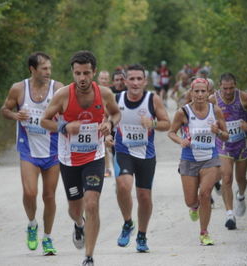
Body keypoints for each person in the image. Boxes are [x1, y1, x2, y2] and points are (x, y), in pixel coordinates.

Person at [40, 50, 120, 266]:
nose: (82, 78)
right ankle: (79, 223)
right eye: (78, 73)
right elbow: (44, 121)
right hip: (69, 160)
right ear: (73, 73)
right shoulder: (63, 95)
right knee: (75, 209)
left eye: (86, 73)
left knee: (92, 203)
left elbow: (115, 113)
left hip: (95, 157)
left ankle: (89, 256)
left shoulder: (104, 94)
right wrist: (65, 126)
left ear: (93, 72)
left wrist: (109, 124)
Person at [0, 52, 63, 255]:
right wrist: (15, 115)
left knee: (49, 196)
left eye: (49, 68)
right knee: (30, 193)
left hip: (53, 150)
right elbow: (4, 110)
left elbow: (68, 113)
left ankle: (48, 238)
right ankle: (32, 224)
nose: (48, 72)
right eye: (44, 68)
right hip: (28, 149)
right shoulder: (19, 89)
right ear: (32, 69)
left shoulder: (58, 88)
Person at [106, 64, 170, 252]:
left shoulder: (153, 99)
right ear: (125, 81)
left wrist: (153, 123)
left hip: (146, 155)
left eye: (138, 79)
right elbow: (104, 120)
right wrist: (107, 135)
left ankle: (142, 235)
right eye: (131, 79)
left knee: (144, 196)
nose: (135, 83)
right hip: (123, 152)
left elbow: (167, 124)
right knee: (123, 186)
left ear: (145, 81)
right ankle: (128, 223)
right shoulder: (116, 99)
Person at [168, 78, 228, 246]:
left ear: (209, 93)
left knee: (205, 193)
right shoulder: (183, 112)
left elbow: (226, 135)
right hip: (189, 159)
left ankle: (204, 232)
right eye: (197, 91)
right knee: (191, 200)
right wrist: (180, 140)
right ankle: (194, 207)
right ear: (191, 93)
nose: (200, 94)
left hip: (210, 158)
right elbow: (171, 132)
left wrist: (218, 131)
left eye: (203, 91)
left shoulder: (215, 111)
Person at [209, 73, 247, 230]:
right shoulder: (213, 99)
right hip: (223, 144)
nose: (228, 91)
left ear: (235, 85)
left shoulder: (244, 97)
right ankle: (229, 214)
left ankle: (241, 196)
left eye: (231, 87)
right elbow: (204, 115)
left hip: (242, 143)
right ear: (220, 86)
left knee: (241, 178)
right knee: (226, 178)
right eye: (225, 88)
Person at [97, 70, 113, 177]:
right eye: (101, 78)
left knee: (110, 147)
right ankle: (106, 168)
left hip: (109, 122)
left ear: (109, 80)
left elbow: (114, 111)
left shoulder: (110, 93)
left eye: (105, 79)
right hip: (97, 123)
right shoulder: (93, 91)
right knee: (102, 146)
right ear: (98, 79)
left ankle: (113, 167)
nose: (103, 80)